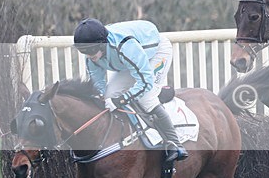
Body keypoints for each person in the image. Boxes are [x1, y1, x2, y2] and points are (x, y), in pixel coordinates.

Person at [72, 18, 188, 163]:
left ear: (103, 44)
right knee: (109, 95)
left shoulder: (125, 46)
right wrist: (103, 97)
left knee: (146, 98)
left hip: (156, 53)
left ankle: (174, 143)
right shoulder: (92, 56)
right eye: (84, 52)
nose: (89, 55)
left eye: (91, 50)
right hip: (128, 61)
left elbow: (145, 82)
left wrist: (120, 100)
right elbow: (98, 85)